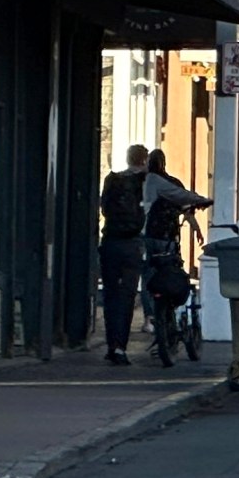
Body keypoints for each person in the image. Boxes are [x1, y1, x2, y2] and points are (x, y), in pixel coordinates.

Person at [140, 149, 213, 368]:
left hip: (143, 239)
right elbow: (184, 202)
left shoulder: (141, 182)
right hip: (165, 238)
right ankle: (167, 312)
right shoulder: (165, 182)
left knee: (148, 278)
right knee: (171, 270)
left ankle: (151, 318)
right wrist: (201, 209)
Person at [98, 145, 151, 365]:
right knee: (127, 295)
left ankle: (112, 345)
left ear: (128, 158)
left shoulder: (112, 180)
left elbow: (104, 208)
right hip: (132, 244)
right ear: (144, 160)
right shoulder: (147, 181)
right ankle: (121, 347)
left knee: (110, 295)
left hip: (110, 241)